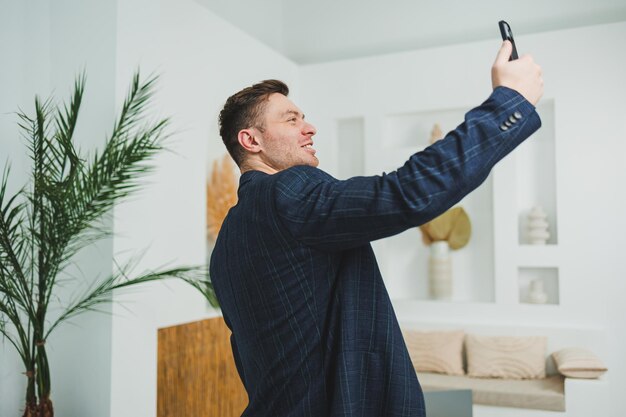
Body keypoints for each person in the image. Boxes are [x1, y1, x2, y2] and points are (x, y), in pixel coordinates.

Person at [210, 40, 543, 417]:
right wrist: (510, 100)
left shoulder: (227, 241)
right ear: (251, 141)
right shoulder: (288, 191)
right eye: (291, 119)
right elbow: (406, 192)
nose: (309, 128)